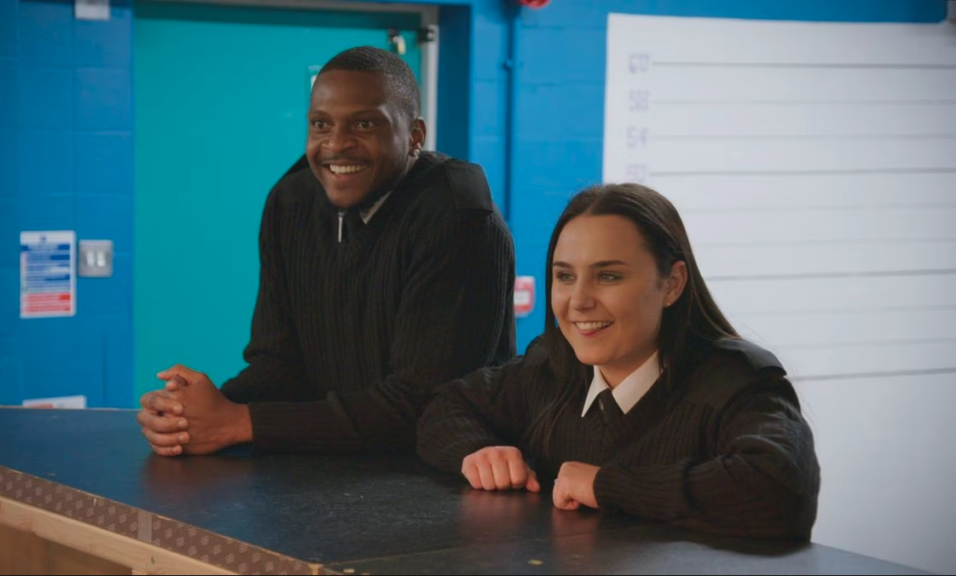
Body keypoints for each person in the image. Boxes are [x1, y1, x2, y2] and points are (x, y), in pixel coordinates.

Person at [137, 46, 516, 457]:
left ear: (415, 137)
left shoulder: (459, 220)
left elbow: (424, 406)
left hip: (438, 486)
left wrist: (238, 423)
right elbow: (280, 365)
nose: (336, 144)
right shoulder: (290, 201)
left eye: (365, 124)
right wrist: (191, 414)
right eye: (320, 125)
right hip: (324, 478)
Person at [417, 183, 820, 540]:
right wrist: (479, 450)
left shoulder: (737, 384)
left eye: (608, 276)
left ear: (672, 284)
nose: (578, 302)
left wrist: (605, 486)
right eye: (565, 276)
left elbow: (779, 487)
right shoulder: (552, 366)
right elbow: (446, 406)